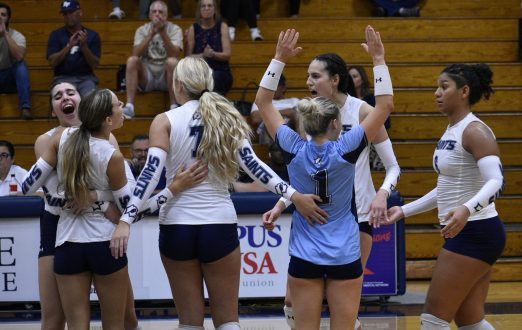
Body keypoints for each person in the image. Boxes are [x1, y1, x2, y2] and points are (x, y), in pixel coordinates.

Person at [114, 56, 325, 329]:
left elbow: (149, 176)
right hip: (219, 224)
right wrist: (293, 194)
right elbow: (254, 166)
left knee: (189, 322)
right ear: (208, 82)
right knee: (227, 321)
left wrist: (125, 220)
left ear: (177, 84)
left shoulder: (164, 120)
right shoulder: (227, 116)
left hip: (176, 226)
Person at [20, 88, 206, 329]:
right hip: (105, 244)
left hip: (66, 244)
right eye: (119, 104)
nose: (123, 107)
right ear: (108, 119)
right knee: (115, 325)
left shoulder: (61, 138)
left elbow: (26, 186)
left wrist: (90, 196)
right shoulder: (112, 156)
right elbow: (133, 211)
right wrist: (173, 189)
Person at [257, 26, 394, 329]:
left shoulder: (292, 147)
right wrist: (378, 59)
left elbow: (263, 102)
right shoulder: (346, 149)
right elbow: (385, 106)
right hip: (344, 251)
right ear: (336, 124)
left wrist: (279, 58)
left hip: (305, 252)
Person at [384, 63, 505, 329]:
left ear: (464, 91)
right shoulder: (453, 130)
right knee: (470, 321)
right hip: (471, 231)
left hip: (477, 231)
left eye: (444, 86)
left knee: (432, 320)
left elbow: (496, 181)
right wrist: (404, 211)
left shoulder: (475, 131)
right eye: (437, 87)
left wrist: (466, 209)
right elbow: (446, 189)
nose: (436, 93)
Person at [34, 82, 144, 330]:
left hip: (84, 234)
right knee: (54, 318)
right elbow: (128, 206)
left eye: (70, 92)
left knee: (126, 317)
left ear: (83, 103)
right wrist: (96, 202)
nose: (65, 97)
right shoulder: (51, 139)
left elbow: (125, 194)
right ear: (53, 109)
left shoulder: (106, 140)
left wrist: (97, 197)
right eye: (57, 95)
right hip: (63, 228)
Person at [123, 0, 183, 119]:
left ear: (166, 15)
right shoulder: (142, 29)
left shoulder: (175, 29)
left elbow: (175, 54)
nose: (157, 14)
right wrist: (151, 34)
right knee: (132, 61)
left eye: (160, 12)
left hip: (167, 76)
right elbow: (135, 53)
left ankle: (173, 105)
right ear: (150, 15)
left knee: (172, 62)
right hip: (147, 75)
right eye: (154, 12)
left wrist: (162, 32)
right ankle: (129, 106)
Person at [47, 0, 101, 97]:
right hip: (62, 78)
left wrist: (84, 47)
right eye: (65, 14)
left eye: (71, 13)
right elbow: (52, 62)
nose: (68, 16)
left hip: (86, 78)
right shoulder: (56, 35)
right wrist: (69, 46)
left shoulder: (93, 35)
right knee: (64, 100)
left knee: (91, 100)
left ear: (80, 13)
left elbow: (94, 64)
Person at [185, 0, 233, 96]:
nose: (206, 8)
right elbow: (188, 57)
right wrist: (203, 55)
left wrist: (213, 54)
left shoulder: (222, 26)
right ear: (199, 10)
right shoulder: (193, 28)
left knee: (215, 77)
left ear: (215, 10)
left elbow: (227, 55)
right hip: (199, 72)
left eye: (210, 6)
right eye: (203, 6)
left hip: (220, 72)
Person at [0, 2, 32, 120]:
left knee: (21, 65)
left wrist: (5, 34)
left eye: (3, 15)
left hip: (9, 79)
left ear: (8, 18)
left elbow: (19, 56)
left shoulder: (17, 36)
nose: (0, 18)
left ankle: (25, 108)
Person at [250, 74, 299, 144]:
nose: (270, 89)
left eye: (274, 86)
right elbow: (256, 119)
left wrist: (267, 113)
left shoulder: (294, 101)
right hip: (269, 135)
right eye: (268, 86)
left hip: (291, 131)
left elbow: (299, 115)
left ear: (283, 87)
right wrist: (289, 112)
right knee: (268, 123)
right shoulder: (261, 102)